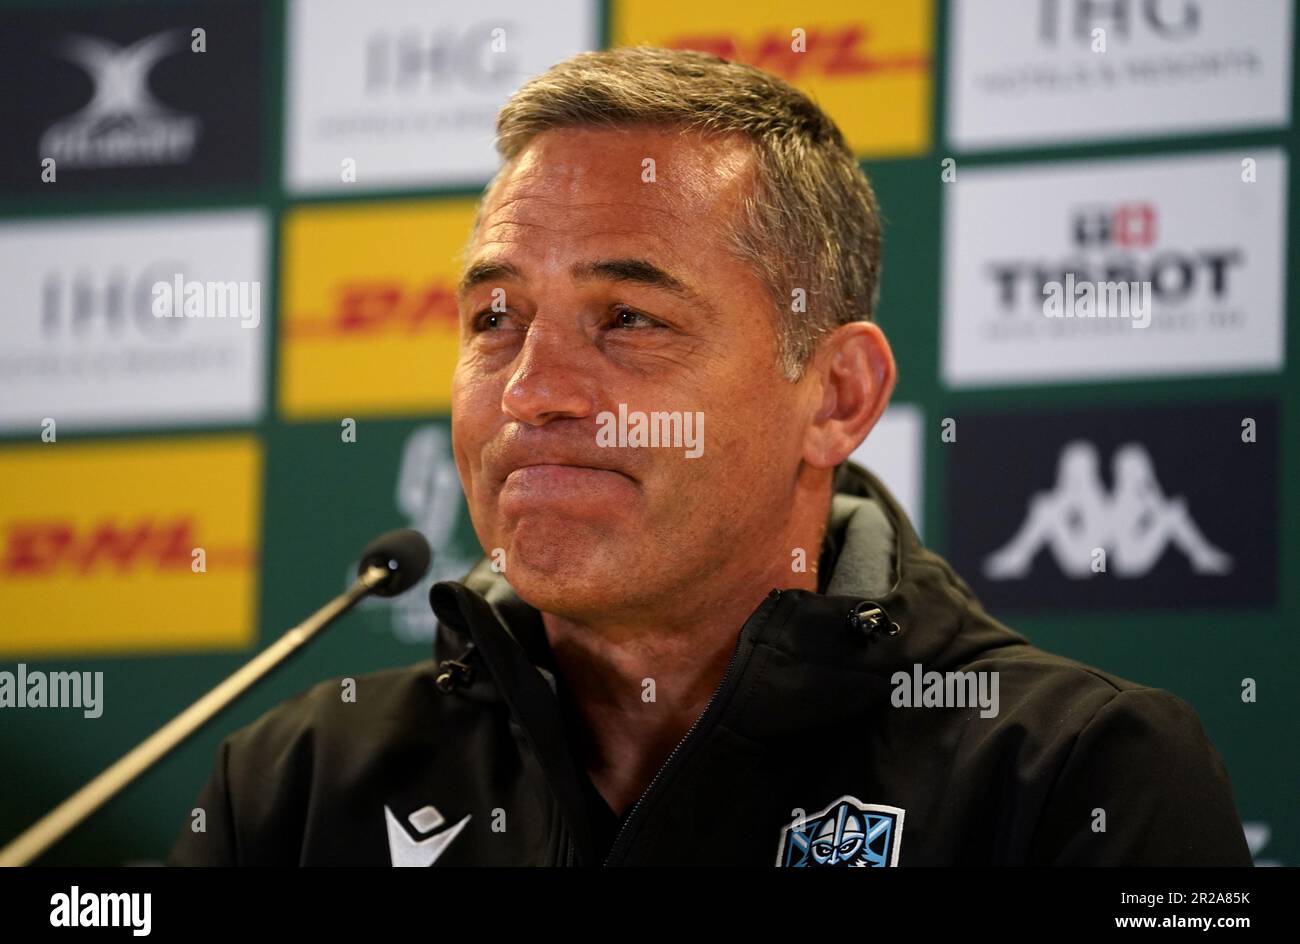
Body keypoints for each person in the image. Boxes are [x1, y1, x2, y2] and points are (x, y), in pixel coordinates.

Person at [168, 47, 1250, 866]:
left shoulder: (1081, 775)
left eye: (629, 318)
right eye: (494, 317)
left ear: (837, 396)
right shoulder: (294, 787)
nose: (532, 389)